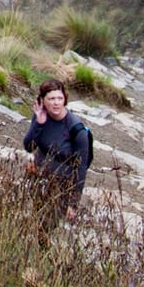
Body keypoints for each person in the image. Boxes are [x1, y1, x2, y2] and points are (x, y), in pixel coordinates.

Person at [22, 78, 92, 221]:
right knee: (33, 223)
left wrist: (73, 204)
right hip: (38, 179)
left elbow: (81, 169)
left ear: (65, 99)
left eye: (60, 98)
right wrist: (39, 124)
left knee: (46, 228)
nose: (56, 102)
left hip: (61, 187)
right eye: (51, 98)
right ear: (42, 100)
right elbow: (29, 147)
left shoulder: (77, 130)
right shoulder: (40, 116)